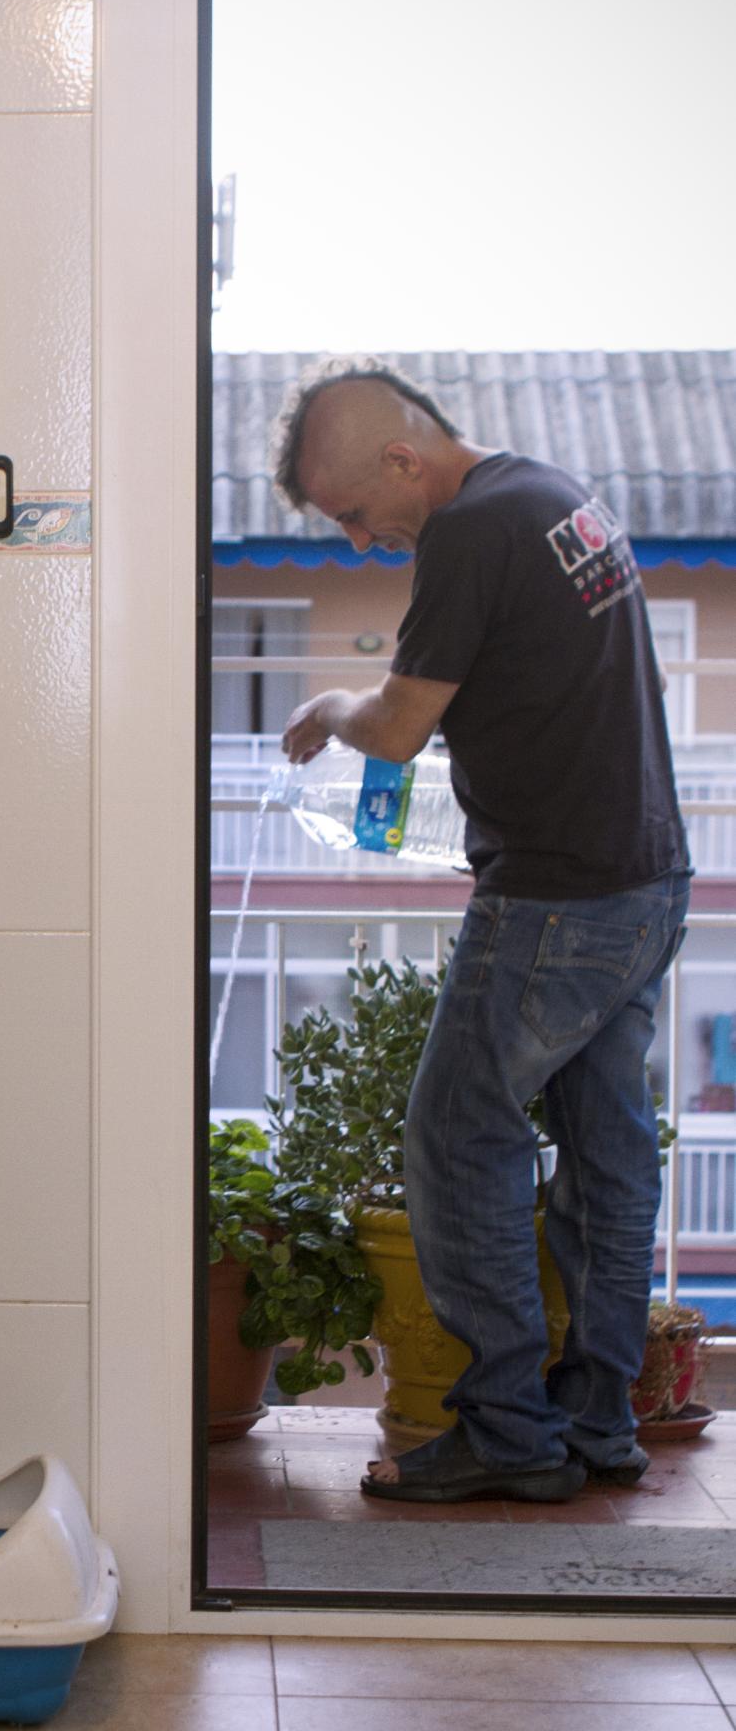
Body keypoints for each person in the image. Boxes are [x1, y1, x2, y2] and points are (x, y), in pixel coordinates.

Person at [272, 358, 690, 1506]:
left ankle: (506, 1432)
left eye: (355, 513)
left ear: (401, 458)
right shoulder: (552, 494)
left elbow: (398, 726)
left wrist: (327, 707)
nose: (359, 542)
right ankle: (596, 1422)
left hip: (555, 896)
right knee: (604, 1159)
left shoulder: (466, 530)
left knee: (456, 1139)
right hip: (645, 879)